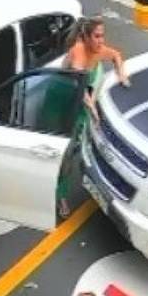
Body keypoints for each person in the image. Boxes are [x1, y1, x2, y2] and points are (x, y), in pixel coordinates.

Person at [55, 16, 130, 217]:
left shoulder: (97, 51)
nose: (101, 41)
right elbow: (80, 89)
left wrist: (121, 74)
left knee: (79, 147)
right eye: (96, 36)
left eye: (102, 36)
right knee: (66, 154)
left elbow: (116, 55)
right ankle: (60, 194)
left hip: (83, 104)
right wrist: (93, 111)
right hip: (67, 102)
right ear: (85, 37)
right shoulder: (78, 53)